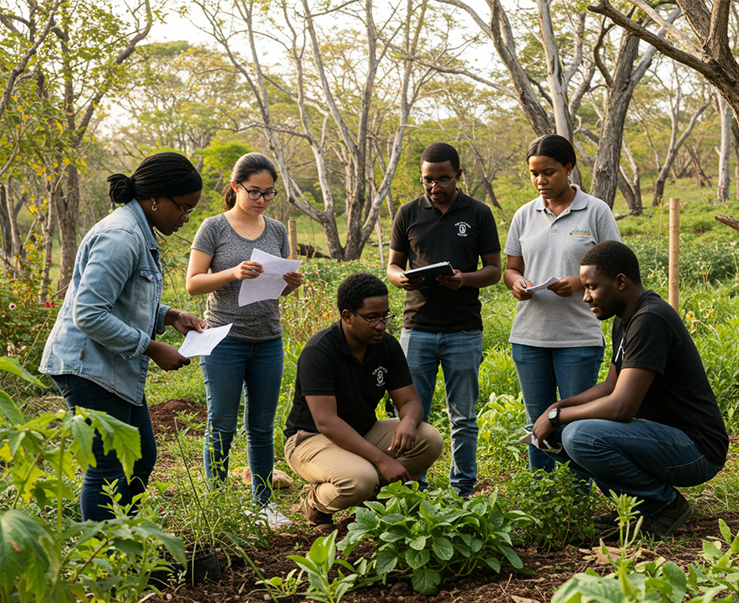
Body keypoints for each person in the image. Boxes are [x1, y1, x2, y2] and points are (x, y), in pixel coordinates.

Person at [40, 152, 206, 521]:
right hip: (88, 367)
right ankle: (104, 562)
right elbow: (89, 313)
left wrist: (170, 315)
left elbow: (121, 301)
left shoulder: (138, 231)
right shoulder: (121, 236)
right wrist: (151, 347)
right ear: (155, 199)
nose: (185, 218)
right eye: (182, 208)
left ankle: (126, 542)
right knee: (110, 468)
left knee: (141, 457)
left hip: (110, 364)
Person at [531, 240, 728, 537]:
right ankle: (635, 504)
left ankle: (664, 505)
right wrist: (556, 409)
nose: (585, 297)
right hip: (662, 438)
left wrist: (560, 417)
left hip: (695, 450)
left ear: (620, 282)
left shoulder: (650, 319)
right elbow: (611, 385)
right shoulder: (626, 319)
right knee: (560, 432)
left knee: (578, 434)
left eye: (591, 287)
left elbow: (621, 407)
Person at [186, 153, 304, 530]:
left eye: (269, 194)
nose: (262, 200)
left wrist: (288, 284)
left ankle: (263, 504)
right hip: (224, 339)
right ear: (236, 186)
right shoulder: (213, 228)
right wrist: (233, 272)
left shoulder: (275, 230)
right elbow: (193, 283)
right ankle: (217, 505)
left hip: (268, 338)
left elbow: (274, 290)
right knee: (221, 423)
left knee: (261, 425)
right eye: (254, 191)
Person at [387, 142, 501, 497]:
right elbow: (393, 264)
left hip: (463, 329)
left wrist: (464, 279)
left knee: (463, 417)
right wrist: (399, 278)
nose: (434, 187)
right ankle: (412, 485)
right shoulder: (408, 213)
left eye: (443, 179)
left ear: (458, 176)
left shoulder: (479, 213)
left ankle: (463, 487)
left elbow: (495, 270)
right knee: (410, 415)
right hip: (416, 327)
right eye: (427, 180)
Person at [284, 272, 443, 527]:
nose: (381, 325)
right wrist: (383, 461)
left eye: (385, 316)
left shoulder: (386, 346)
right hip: (310, 439)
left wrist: (408, 422)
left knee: (430, 439)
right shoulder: (320, 351)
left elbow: (410, 402)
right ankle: (315, 503)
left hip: (363, 431)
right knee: (360, 478)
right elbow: (326, 422)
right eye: (372, 318)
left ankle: (372, 503)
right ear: (347, 316)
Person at [503, 134, 622, 472]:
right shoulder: (524, 216)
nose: (540, 181)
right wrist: (518, 284)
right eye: (534, 174)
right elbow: (512, 268)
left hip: (578, 338)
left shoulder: (595, 211)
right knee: (537, 425)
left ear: (569, 168)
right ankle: (543, 502)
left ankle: (576, 502)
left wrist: (578, 282)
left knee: (575, 426)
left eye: (549, 172)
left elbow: (617, 265)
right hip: (529, 337)